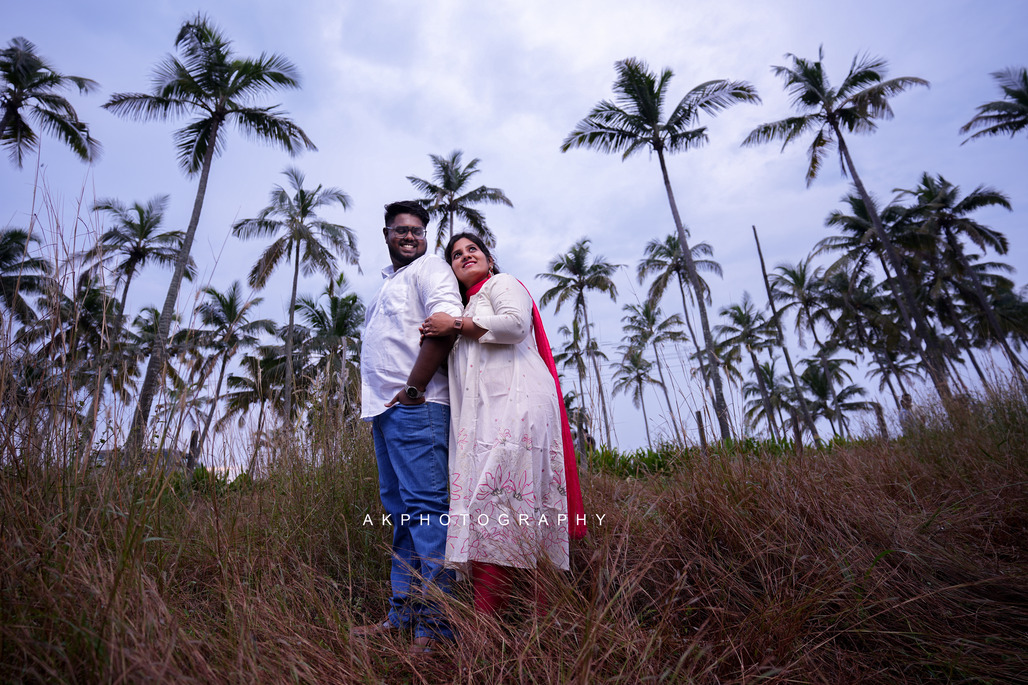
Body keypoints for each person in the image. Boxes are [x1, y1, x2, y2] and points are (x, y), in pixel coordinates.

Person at [420, 232, 586, 617]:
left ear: (489, 259)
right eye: (456, 255)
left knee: (500, 506)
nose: (465, 256)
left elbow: (513, 325)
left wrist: (456, 324)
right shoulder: (465, 311)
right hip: (484, 422)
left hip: (519, 410)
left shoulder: (501, 284)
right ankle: (521, 623)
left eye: (472, 249)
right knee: (502, 512)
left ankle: (501, 625)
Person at [354, 201, 463, 654]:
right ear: (386, 234)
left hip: (418, 408)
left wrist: (415, 389)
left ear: (426, 236)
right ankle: (402, 616)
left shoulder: (431, 268)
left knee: (427, 512)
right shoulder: (387, 284)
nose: (409, 236)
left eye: (417, 230)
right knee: (401, 516)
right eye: (401, 230)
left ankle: (437, 630)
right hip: (384, 413)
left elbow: (444, 326)